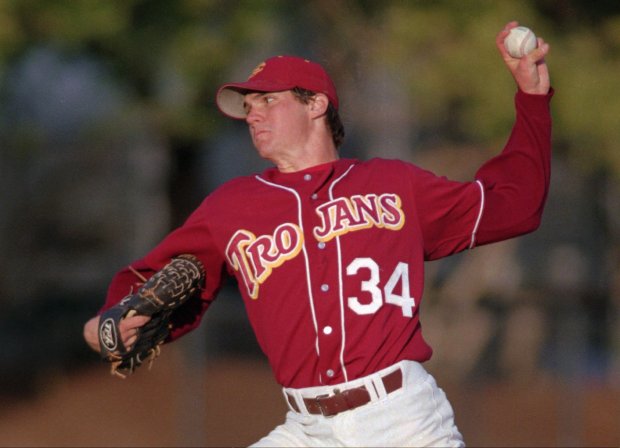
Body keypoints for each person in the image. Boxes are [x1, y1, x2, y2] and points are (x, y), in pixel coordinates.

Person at [84, 21, 552, 447]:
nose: (253, 115)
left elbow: (512, 203)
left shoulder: (393, 185)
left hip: (402, 421)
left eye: (268, 100)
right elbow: (144, 282)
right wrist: (105, 328)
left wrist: (531, 100)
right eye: (247, 106)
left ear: (317, 103)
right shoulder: (231, 207)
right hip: (307, 429)